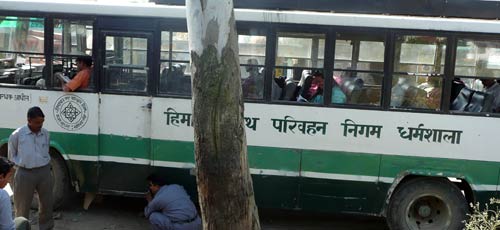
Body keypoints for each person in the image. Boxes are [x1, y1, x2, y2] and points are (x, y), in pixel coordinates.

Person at [8, 107, 53, 230]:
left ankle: (46, 227)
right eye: (37, 122)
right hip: (24, 173)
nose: (40, 125)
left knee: (47, 204)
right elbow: (12, 156)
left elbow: (46, 151)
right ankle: (21, 228)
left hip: (44, 172)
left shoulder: (45, 133)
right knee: (22, 206)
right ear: (29, 120)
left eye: (42, 122)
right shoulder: (16, 135)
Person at [0, 157, 30, 230]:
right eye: (9, 176)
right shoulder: (2, 195)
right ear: (1, 177)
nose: (9, 181)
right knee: (22, 222)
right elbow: (8, 228)